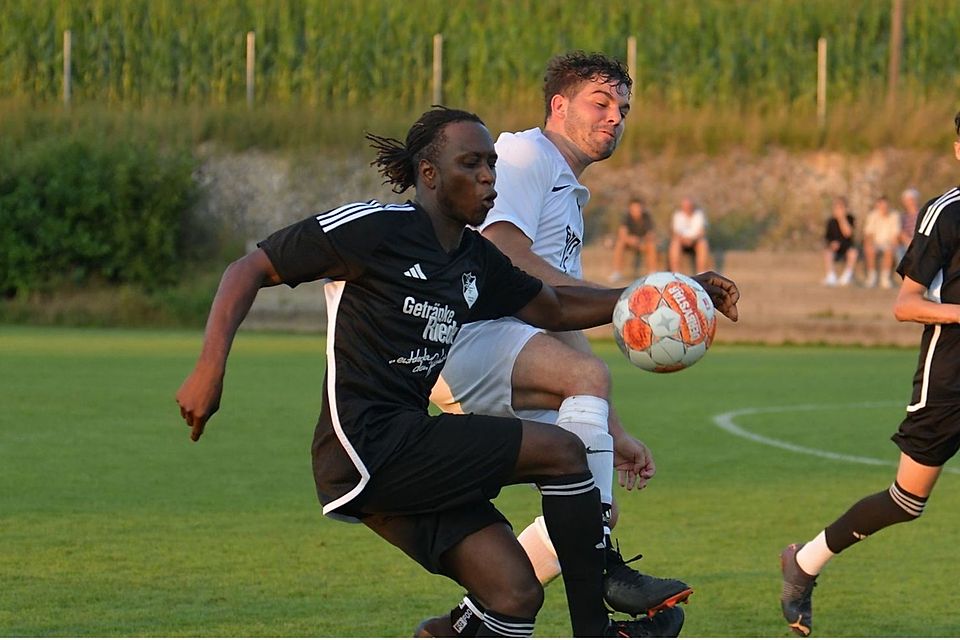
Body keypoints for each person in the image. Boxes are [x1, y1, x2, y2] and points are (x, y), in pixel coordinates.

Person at [175, 107, 717, 638]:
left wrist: (659, 297)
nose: (488, 177)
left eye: (491, 166)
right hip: (369, 444)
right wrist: (209, 368)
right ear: (429, 175)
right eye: (471, 164)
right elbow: (249, 268)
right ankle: (594, 630)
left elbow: (553, 308)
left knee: (514, 594)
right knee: (564, 454)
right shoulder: (375, 230)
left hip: (404, 452)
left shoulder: (473, 257)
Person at [425, 52, 740, 636]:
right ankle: (599, 585)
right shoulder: (524, 154)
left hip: (507, 345)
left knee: (590, 505)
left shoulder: (567, 193)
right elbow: (503, 256)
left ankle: (469, 624)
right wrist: (640, 295)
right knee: (586, 436)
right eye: (602, 103)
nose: (615, 117)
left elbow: (559, 321)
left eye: (623, 108)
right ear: (558, 105)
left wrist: (614, 431)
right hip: (462, 335)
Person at [780, 110, 960, 638]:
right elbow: (906, 305)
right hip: (949, 377)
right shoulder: (946, 213)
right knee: (907, 501)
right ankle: (805, 561)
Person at [610, 198, 658, 281]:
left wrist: (642, 240)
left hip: (643, 242)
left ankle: (652, 272)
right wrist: (630, 239)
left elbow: (651, 234)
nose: (636, 211)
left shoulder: (646, 217)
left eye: (638, 208)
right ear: (630, 209)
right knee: (620, 243)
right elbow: (622, 233)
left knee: (651, 245)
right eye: (634, 209)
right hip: (629, 242)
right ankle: (617, 272)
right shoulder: (626, 217)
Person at [861, 195, 903, 289]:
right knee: (870, 249)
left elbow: (896, 235)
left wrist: (893, 245)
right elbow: (868, 233)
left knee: (889, 250)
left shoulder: (895, 215)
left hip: (889, 243)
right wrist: (869, 244)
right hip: (876, 242)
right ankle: (872, 277)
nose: (884, 208)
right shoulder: (872, 215)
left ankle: (885, 278)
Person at [667, 198, 710, 274]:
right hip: (681, 241)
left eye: (689, 206)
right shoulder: (677, 215)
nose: (687, 208)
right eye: (685, 206)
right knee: (674, 243)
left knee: (703, 243)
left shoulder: (699, 214)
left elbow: (702, 231)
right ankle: (675, 273)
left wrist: (692, 240)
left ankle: (701, 273)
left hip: (695, 240)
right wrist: (684, 240)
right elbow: (675, 232)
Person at [822, 196, 858, 287]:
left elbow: (848, 234)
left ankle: (847, 276)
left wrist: (842, 219)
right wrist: (832, 244)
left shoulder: (850, 219)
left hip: (847, 248)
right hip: (835, 249)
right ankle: (831, 276)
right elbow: (827, 238)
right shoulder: (831, 221)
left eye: (841, 207)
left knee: (853, 253)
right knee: (827, 252)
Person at [898, 187, 921, 261]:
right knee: (899, 250)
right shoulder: (902, 216)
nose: (910, 203)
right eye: (907, 201)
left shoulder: (922, 214)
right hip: (906, 243)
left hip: (920, 241)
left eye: (911, 200)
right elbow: (900, 232)